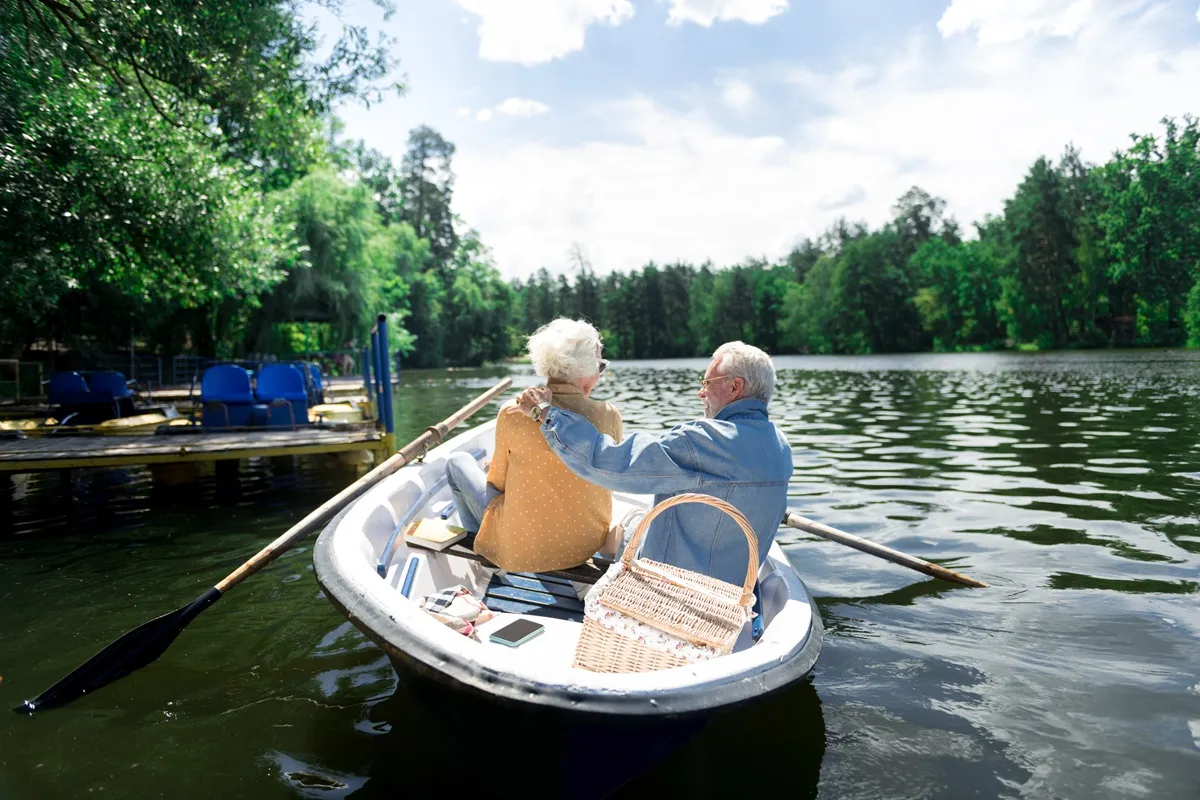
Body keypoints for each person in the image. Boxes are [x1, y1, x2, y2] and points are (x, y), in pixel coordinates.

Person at [512, 341, 791, 587]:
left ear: (734, 387)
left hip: (669, 591)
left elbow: (606, 463)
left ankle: (581, 582)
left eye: (706, 383)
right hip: (731, 596)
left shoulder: (701, 441)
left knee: (618, 526)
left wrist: (546, 413)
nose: (700, 393)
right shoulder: (781, 448)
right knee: (632, 521)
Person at [445, 318, 623, 572]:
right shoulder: (609, 415)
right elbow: (609, 483)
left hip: (523, 550)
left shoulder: (513, 412)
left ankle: (486, 562)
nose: (599, 374)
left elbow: (497, 483)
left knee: (456, 463)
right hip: (582, 548)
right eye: (600, 366)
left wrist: (496, 467)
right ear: (588, 370)